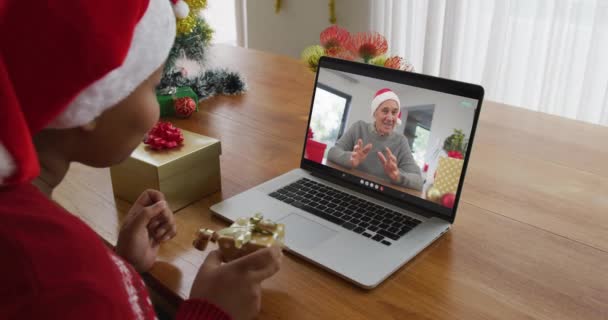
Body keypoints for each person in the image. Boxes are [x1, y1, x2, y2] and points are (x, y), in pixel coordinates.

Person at [0, 1, 281, 320]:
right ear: (93, 96)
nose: (157, 109)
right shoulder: (68, 282)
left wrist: (122, 266)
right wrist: (212, 311)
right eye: (153, 87)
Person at [327, 88, 423, 191]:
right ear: (375, 113)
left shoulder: (401, 141)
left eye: (394, 112)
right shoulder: (359, 128)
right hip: (351, 188)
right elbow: (332, 152)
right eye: (385, 111)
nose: (390, 118)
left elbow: (418, 181)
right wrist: (350, 159)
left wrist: (398, 176)